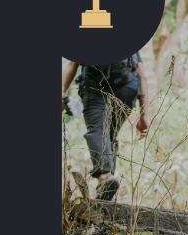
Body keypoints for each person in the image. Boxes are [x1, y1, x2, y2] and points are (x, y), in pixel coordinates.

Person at [62, 53, 151, 201]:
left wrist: (62, 90)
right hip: (127, 89)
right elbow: (142, 74)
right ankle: (106, 187)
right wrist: (144, 115)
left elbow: (72, 62)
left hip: (95, 85)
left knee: (98, 130)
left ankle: (105, 176)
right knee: (109, 135)